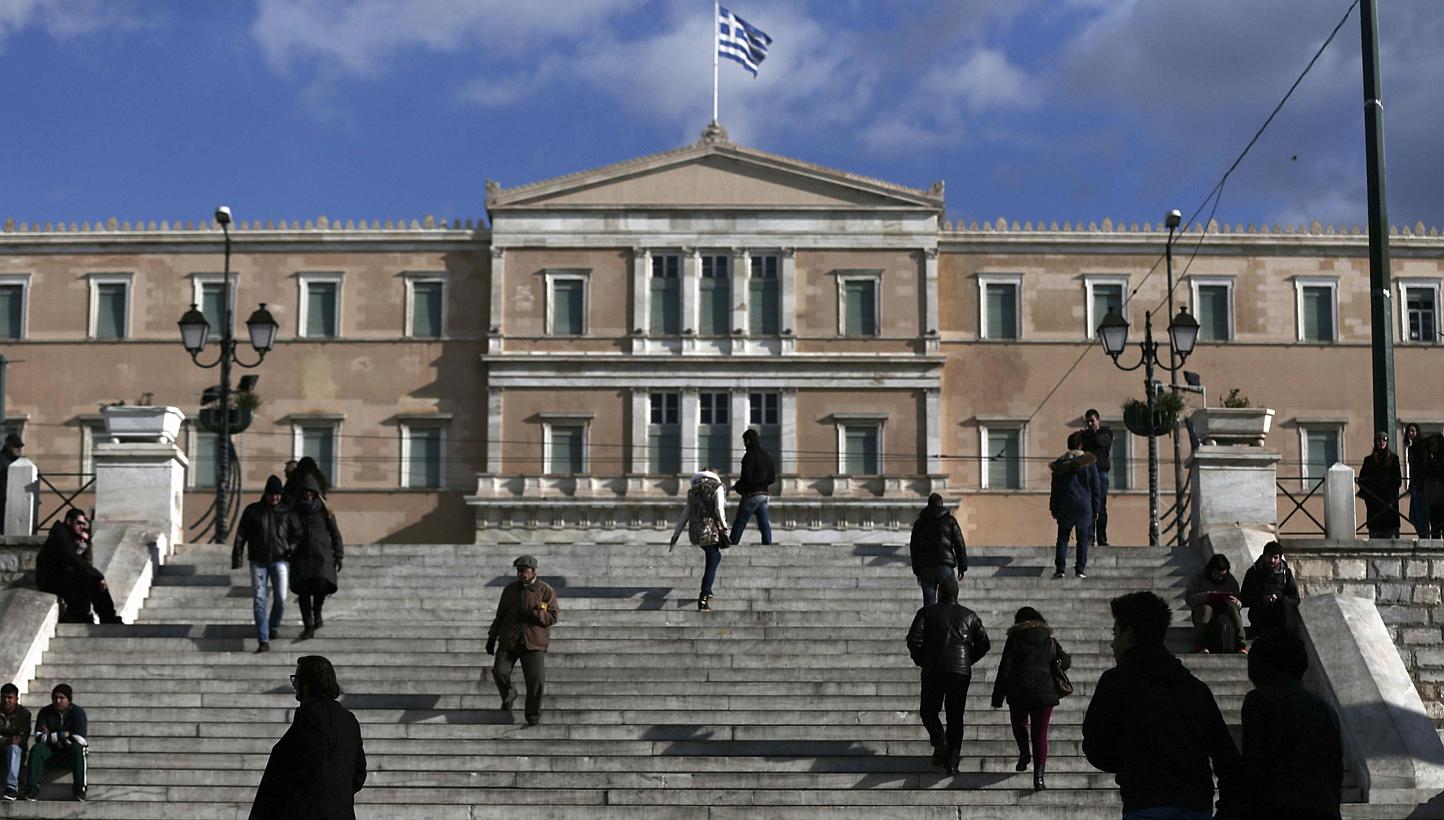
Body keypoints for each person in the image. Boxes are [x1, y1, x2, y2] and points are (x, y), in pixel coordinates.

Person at [1082, 591, 1241, 819]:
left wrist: (1132, 763)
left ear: (1129, 635)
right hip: (1195, 804)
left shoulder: (1116, 682)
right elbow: (1226, 755)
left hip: (1145, 802)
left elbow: (1096, 745)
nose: (1112, 643)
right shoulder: (1194, 688)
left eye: (1115, 633)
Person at [1239, 629, 1343, 819]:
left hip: (1278, 807)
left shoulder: (1259, 701)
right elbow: (1335, 773)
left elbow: (1254, 764)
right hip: (1322, 807)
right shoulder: (1325, 709)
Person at [250, 655, 366, 819]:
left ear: (308, 683)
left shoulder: (309, 717)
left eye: (297, 678)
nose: (294, 684)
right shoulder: (349, 720)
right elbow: (359, 773)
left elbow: (294, 772)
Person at [905, 575, 989, 776]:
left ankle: (940, 741)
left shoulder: (927, 612)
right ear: (957, 594)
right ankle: (952, 761)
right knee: (955, 716)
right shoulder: (970, 616)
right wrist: (967, 660)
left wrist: (921, 659)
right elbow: (984, 643)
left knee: (928, 710)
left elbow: (913, 639)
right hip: (959, 672)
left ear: (939, 593)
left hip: (934, 669)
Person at [990, 606, 1068, 791]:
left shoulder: (1014, 639)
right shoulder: (1049, 641)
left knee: (1019, 724)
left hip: (1019, 691)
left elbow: (1005, 669)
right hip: (1044, 692)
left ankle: (1024, 753)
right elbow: (1066, 661)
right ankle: (1039, 778)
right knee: (1040, 734)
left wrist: (997, 696)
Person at [486, 555, 559, 726]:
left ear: (533, 571)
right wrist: (491, 638)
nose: (521, 575)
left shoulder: (545, 590)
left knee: (536, 680)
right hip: (509, 639)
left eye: (524, 571)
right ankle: (509, 693)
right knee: (499, 671)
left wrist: (538, 614)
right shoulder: (510, 590)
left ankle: (533, 715)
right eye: (519, 571)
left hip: (533, 641)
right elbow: (500, 616)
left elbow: (553, 616)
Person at [232, 475, 300, 653]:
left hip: (280, 560)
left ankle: (273, 626)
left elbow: (298, 534)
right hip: (258, 561)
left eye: (278, 495)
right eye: (272, 494)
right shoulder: (253, 511)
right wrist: (237, 557)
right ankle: (263, 639)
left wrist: (291, 548)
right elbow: (241, 535)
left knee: (281, 598)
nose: (275, 498)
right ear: (266, 493)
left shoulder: (287, 511)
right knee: (260, 600)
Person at [34, 509, 121, 624]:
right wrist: (98, 576)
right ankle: (108, 617)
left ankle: (101, 616)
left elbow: (79, 563)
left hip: (60, 578)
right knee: (91, 581)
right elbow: (73, 559)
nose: (81, 527)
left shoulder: (67, 537)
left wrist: (83, 549)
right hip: (50, 581)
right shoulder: (60, 535)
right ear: (69, 521)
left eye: (83, 524)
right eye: (78, 523)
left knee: (87, 581)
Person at [289, 475, 343, 641]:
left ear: (316, 493)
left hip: (322, 556)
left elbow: (335, 533)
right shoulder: (295, 511)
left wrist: (339, 554)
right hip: (301, 556)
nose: (308, 495)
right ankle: (308, 625)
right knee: (303, 592)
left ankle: (317, 611)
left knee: (321, 586)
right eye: (305, 492)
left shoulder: (325, 510)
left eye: (311, 492)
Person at [671, 469, 729, 611]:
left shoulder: (693, 491)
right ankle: (704, 595)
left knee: (714, 556)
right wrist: (725, 526)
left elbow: (685, 514)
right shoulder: (718, 487)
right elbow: (719, 509)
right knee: (713, 558)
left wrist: (676, 534)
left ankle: (707, 591)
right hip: (710, 530)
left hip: (696, 532)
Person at [1049, 431, 1102, 579]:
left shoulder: (1060, 465)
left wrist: (1054, 507)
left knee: (1063, 538)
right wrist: (1096, 508)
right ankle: (1080, 569)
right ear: (1081, 444)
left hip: (1066, 504)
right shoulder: (1089, 463)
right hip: (1084, 505)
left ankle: (1060, 569)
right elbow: (1096, 488)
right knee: (1083, 538)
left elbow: (1055, 489)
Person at [23, 684, 87, 803]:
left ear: (69, 700)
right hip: (51, 752)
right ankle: (31, 790)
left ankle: (80, 789)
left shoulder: (78, 713)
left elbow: (80, 739)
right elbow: (39, 737)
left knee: (79, 748)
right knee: (37, 749)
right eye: (55, 697)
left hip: (69, 753)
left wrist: (51, 736)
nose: (58, 701)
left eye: (62, 698)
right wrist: (63, 735)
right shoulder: (45, 712)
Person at [908, 493, 968, 606]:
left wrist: (917, 571)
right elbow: (959, 544)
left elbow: (914, 548)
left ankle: (930, 623)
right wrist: (962, 567)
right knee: (949, 601)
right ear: (941, 504)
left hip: (926, 567)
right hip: (945, 565)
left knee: (929, 604)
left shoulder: (919, 523)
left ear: (928, 505)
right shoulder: (950, 520)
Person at [1184, 553, 1247, 654]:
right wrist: (1208, 596)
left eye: (1223, 575)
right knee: (1206, 609)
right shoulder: (1198, 577)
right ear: (1211, 571)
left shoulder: (1230, 580)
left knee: (1233, 608)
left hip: (1224, 611)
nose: (1220, 578)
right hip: (1204, 612)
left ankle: (1241, 645)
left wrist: (1236, 602)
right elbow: (1189, 599)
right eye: (1217, 575)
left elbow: (1239, 601)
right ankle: (1201, 645)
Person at [1240, 541, 1299, 637]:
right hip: (1259, 617)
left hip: (1280, 617)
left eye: (1275, 558)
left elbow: (1295, 599)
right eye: (1269, 556)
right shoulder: (1253, 572)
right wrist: (1262, 599)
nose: (1272, 560)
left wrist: (1279, 598)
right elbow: (1244, 597)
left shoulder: (1286, 573)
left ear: (1280, 558)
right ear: (1264, 556)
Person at [729, 429, 776, 546]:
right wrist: (763, 484)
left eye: (745, 441)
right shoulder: (767, 456)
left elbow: (746, 478)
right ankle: (768, 545)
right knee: (764, 523)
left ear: (748, 440)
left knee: (740, 522)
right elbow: (772, 478)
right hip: (764, 494)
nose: (744, 444)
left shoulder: (749, 456)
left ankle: (731, 545)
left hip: (751, 495)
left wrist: (738, 487)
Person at [1079, 409, 1115, 546]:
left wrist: (1090, 435)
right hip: (1088, 473)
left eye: (1092, 421)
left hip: (1101, 473)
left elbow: (1100, 441)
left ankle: (1101, 537)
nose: (1089, 424)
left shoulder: (1106, 432)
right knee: (1089, 506)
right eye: (1088, 421)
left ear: (1098, 420)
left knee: (1101, 507)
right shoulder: (1086, 435)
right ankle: (1090, 537)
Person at [1358, 430, 1402, 539]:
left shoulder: (1394, 459)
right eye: (1379, 439)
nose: (1382, 442)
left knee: (1390, 534)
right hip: (1374, 501)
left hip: (1389, 500)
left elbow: (1397, 480)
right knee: (1375, 534)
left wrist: (1391, 495)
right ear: (1375, 442)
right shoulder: (1369, 460)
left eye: (1384, 439)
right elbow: (1362, 479)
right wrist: (1370, 494)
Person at [0, 683, 31, 801]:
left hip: (16, 753)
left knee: (13, 748)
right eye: (3, 697)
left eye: (9, 698)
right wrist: (7, 740)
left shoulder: (24, 714)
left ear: (16, 699)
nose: (6, 700)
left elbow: (20, 740)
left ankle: (11, 789)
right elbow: (12, 739)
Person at [1404, 423, 1431, 538]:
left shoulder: (1423, 446)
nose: (1411, 433)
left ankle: (1424, 536)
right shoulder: (1410, 449)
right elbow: (1411, 468)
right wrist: (1410, 483)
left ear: (1417, 432)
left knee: (1422, 513)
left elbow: (1424, 465)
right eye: (1409, 431)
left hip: (1423, 484)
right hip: (1415, 484)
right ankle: (1423, 535)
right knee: (1413, 515)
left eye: (1413, 431)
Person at [0, 434, 23, 535]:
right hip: (2, 499)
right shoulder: (2, 459)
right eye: (16, 446)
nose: (18, 449)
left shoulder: (16, 461)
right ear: (8, 445)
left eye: (20, 447)